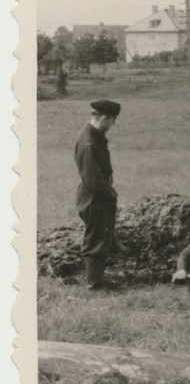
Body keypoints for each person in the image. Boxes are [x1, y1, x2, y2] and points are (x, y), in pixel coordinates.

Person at [74, 99, 121, 290]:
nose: (113, 124)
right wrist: (109, 194)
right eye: (113, 120)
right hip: (95, 196)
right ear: (104, 117)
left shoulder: (95, 135)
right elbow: (93, 179)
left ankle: (98, 279)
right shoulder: (89, 141)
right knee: (95, 238)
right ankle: (94, 284)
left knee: (102, 235)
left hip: (98, 194)